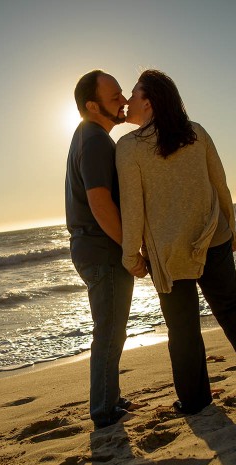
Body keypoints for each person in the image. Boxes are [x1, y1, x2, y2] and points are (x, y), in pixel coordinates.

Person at [117, 69, 236, 414]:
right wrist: (232, 229)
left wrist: (129, 254)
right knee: (231, 307)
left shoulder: (129, 147)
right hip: (214, 236)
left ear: (148, 102)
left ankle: (195, 401)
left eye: (134, 95)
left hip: (170, 251)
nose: (128, 101)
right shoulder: (197, 132)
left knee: (183, 327)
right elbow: (220, 186)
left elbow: (133, 209)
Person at [65, 70, 147, 428]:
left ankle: (109, 397)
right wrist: (131, 249)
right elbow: (100, 204)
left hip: (91, 247)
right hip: (101, 249)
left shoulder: (88, 136)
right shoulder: (96, 139)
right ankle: (103, 409)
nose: (124, 102)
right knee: (110, 330)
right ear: (92, 105)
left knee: (112, 327)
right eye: (115, 97)